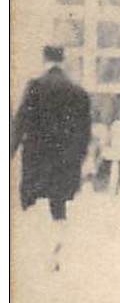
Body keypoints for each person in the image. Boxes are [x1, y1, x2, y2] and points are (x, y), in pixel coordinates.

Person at [12, 45, 92, 272]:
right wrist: (79, 158)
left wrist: (10, 151)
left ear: (44, 59)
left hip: (37, 160)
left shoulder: (35, 87)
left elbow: (20, 123)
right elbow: (85, 132)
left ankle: (36, 254)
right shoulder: (77, 91)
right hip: (65, 162)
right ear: (63, 60)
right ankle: (54, 252)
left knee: (32, 203)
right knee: (59, 207)